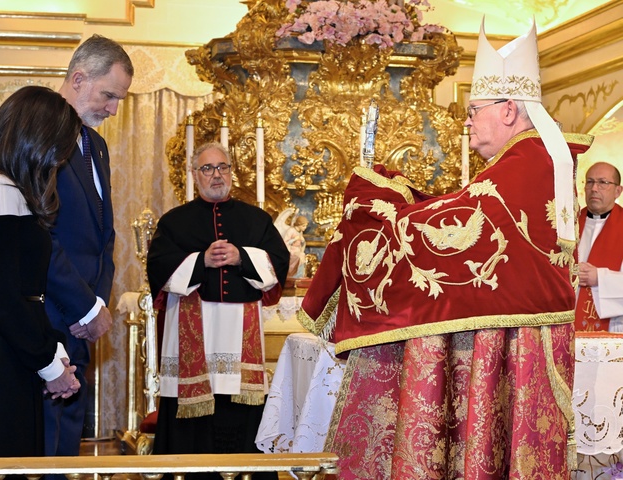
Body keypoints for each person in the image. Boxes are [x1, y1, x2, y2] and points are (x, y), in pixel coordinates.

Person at [298, 20, 593, 479]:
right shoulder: (530, 159)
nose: (468, 120)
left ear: (510, 109)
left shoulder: (527, 160)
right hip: (512, 336)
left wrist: (382, 207)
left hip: (516, 342)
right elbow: (462, 213)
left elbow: (458, 228)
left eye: (475, 109)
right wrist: (403, 197)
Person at [0, 86, 82, 458]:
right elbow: (7, 301)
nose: (60, 157)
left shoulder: (9, 191)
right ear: (35, 136)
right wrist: (49, 366)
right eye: (59, 145)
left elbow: (29, 293)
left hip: (11, 351)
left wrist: (54, 355)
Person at [147, 142, 289, 480]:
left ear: (231, 172)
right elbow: (158, 269)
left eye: (222, 167)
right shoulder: (174, 222)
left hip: (240, 340)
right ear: (195, 176)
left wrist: (243, 256)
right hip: (192, 337)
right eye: (208, 169)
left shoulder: (256, 219)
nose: (216, 175)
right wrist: (201, 260)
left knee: (239, 412)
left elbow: (278, 264)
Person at [43, 34, 133, 457]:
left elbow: (103, 237)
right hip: (47, 315)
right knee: (41, 443)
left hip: (82, 321)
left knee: (66, 444)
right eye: (109, 95)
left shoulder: (94, 144)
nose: (114, 109)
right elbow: (43, 235)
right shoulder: (41, 131)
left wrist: (97, 305)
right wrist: (83, 305)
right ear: (79, 78)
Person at [575, 161, 623, 331]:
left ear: (618, 190)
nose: (594, 188)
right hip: (568, 326)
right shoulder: (568, 225)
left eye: (603, 182)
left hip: (613, 327)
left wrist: (600, 278)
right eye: (590, 182)